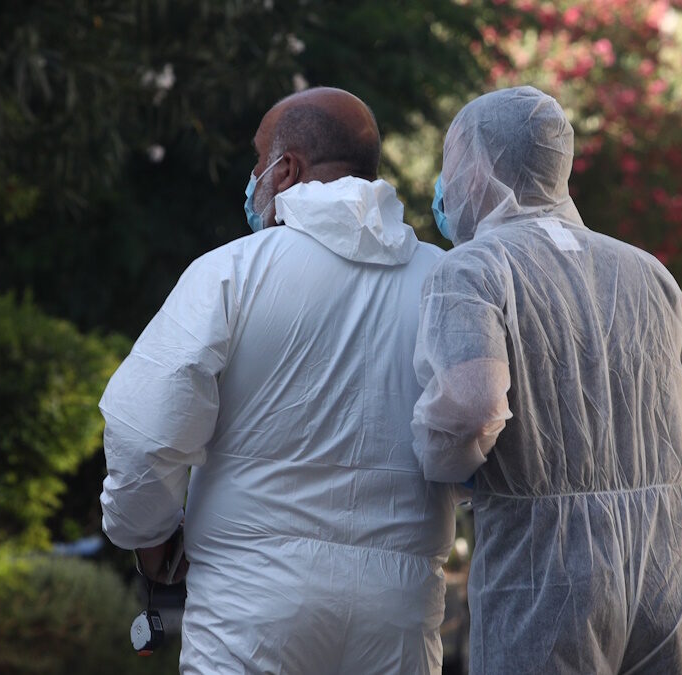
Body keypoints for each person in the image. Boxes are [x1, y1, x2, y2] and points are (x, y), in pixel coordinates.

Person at [99, 87, 457, 673]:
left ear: (286, 169)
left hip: (249, 605)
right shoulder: (446, 283)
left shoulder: (231, 272)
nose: (251, 179)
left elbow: (144, 432)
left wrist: (150, 540)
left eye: (257, 159)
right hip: (399, 611)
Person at [413, 86, 682, 674]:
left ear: (479, 169)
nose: (446, 185)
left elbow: (471, 410)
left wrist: (442, 469)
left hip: (545, 574)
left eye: (453, 164)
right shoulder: (648, 273)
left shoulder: (474, 269)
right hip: (668, 565)